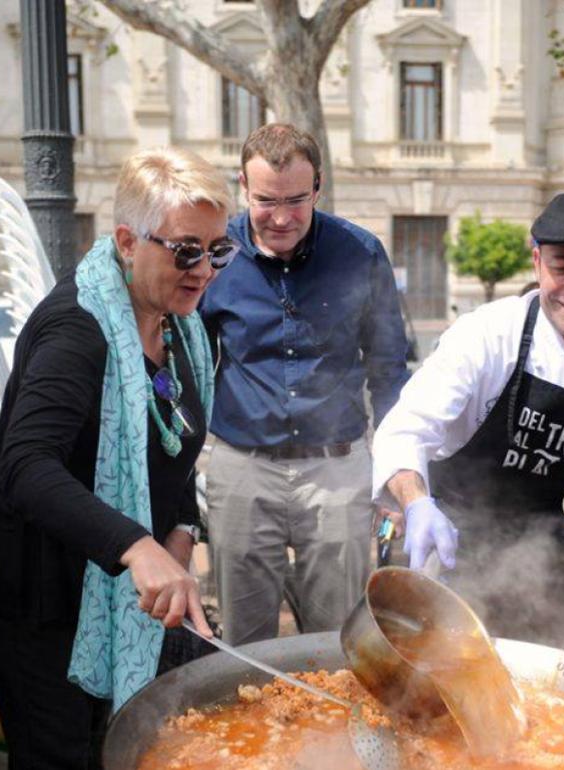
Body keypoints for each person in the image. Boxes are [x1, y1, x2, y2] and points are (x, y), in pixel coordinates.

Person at [0, 147, 227, 768]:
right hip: (45, 600)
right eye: (187, 250)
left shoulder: (184, 326)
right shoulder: (77, 329)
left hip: (118, 587)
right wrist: (137, 548)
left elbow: (174, 448)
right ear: (127, 241)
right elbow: (25, 466)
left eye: (218, 251)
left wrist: (178, 534)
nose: (204, 270)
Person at [371, 191, 564, 650]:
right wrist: (416, 503)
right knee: (435, 696)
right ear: (536, 261)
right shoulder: (487, 335)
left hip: (555, 559)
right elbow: (405, 429)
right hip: (453, 543)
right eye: (561, 267)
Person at [199, 124, 411, 646]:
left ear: (318, 187)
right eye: (266, 200)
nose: (281, 217)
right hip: (242, 467)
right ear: (244, 190)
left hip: (337, 469)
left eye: (296, 200)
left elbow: (389, 370)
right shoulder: (213, 254)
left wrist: (395, 476)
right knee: (245, 643)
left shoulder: (360, 253)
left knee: (336, 636)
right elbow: (186, 368)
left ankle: (331, 729)